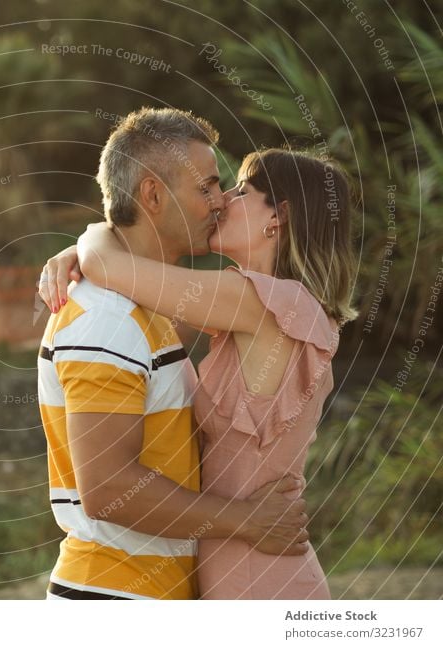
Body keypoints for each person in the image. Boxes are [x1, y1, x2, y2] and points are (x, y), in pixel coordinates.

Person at [39, 139, 358, 599]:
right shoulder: (253, 310)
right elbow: (126, 282)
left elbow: (109, 265)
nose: (224, 200)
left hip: (255, 569)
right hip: (235, 556)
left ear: (279, 216)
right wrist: (83, 260)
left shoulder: (265, 304)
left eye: (243, 191)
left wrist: (86, 244)